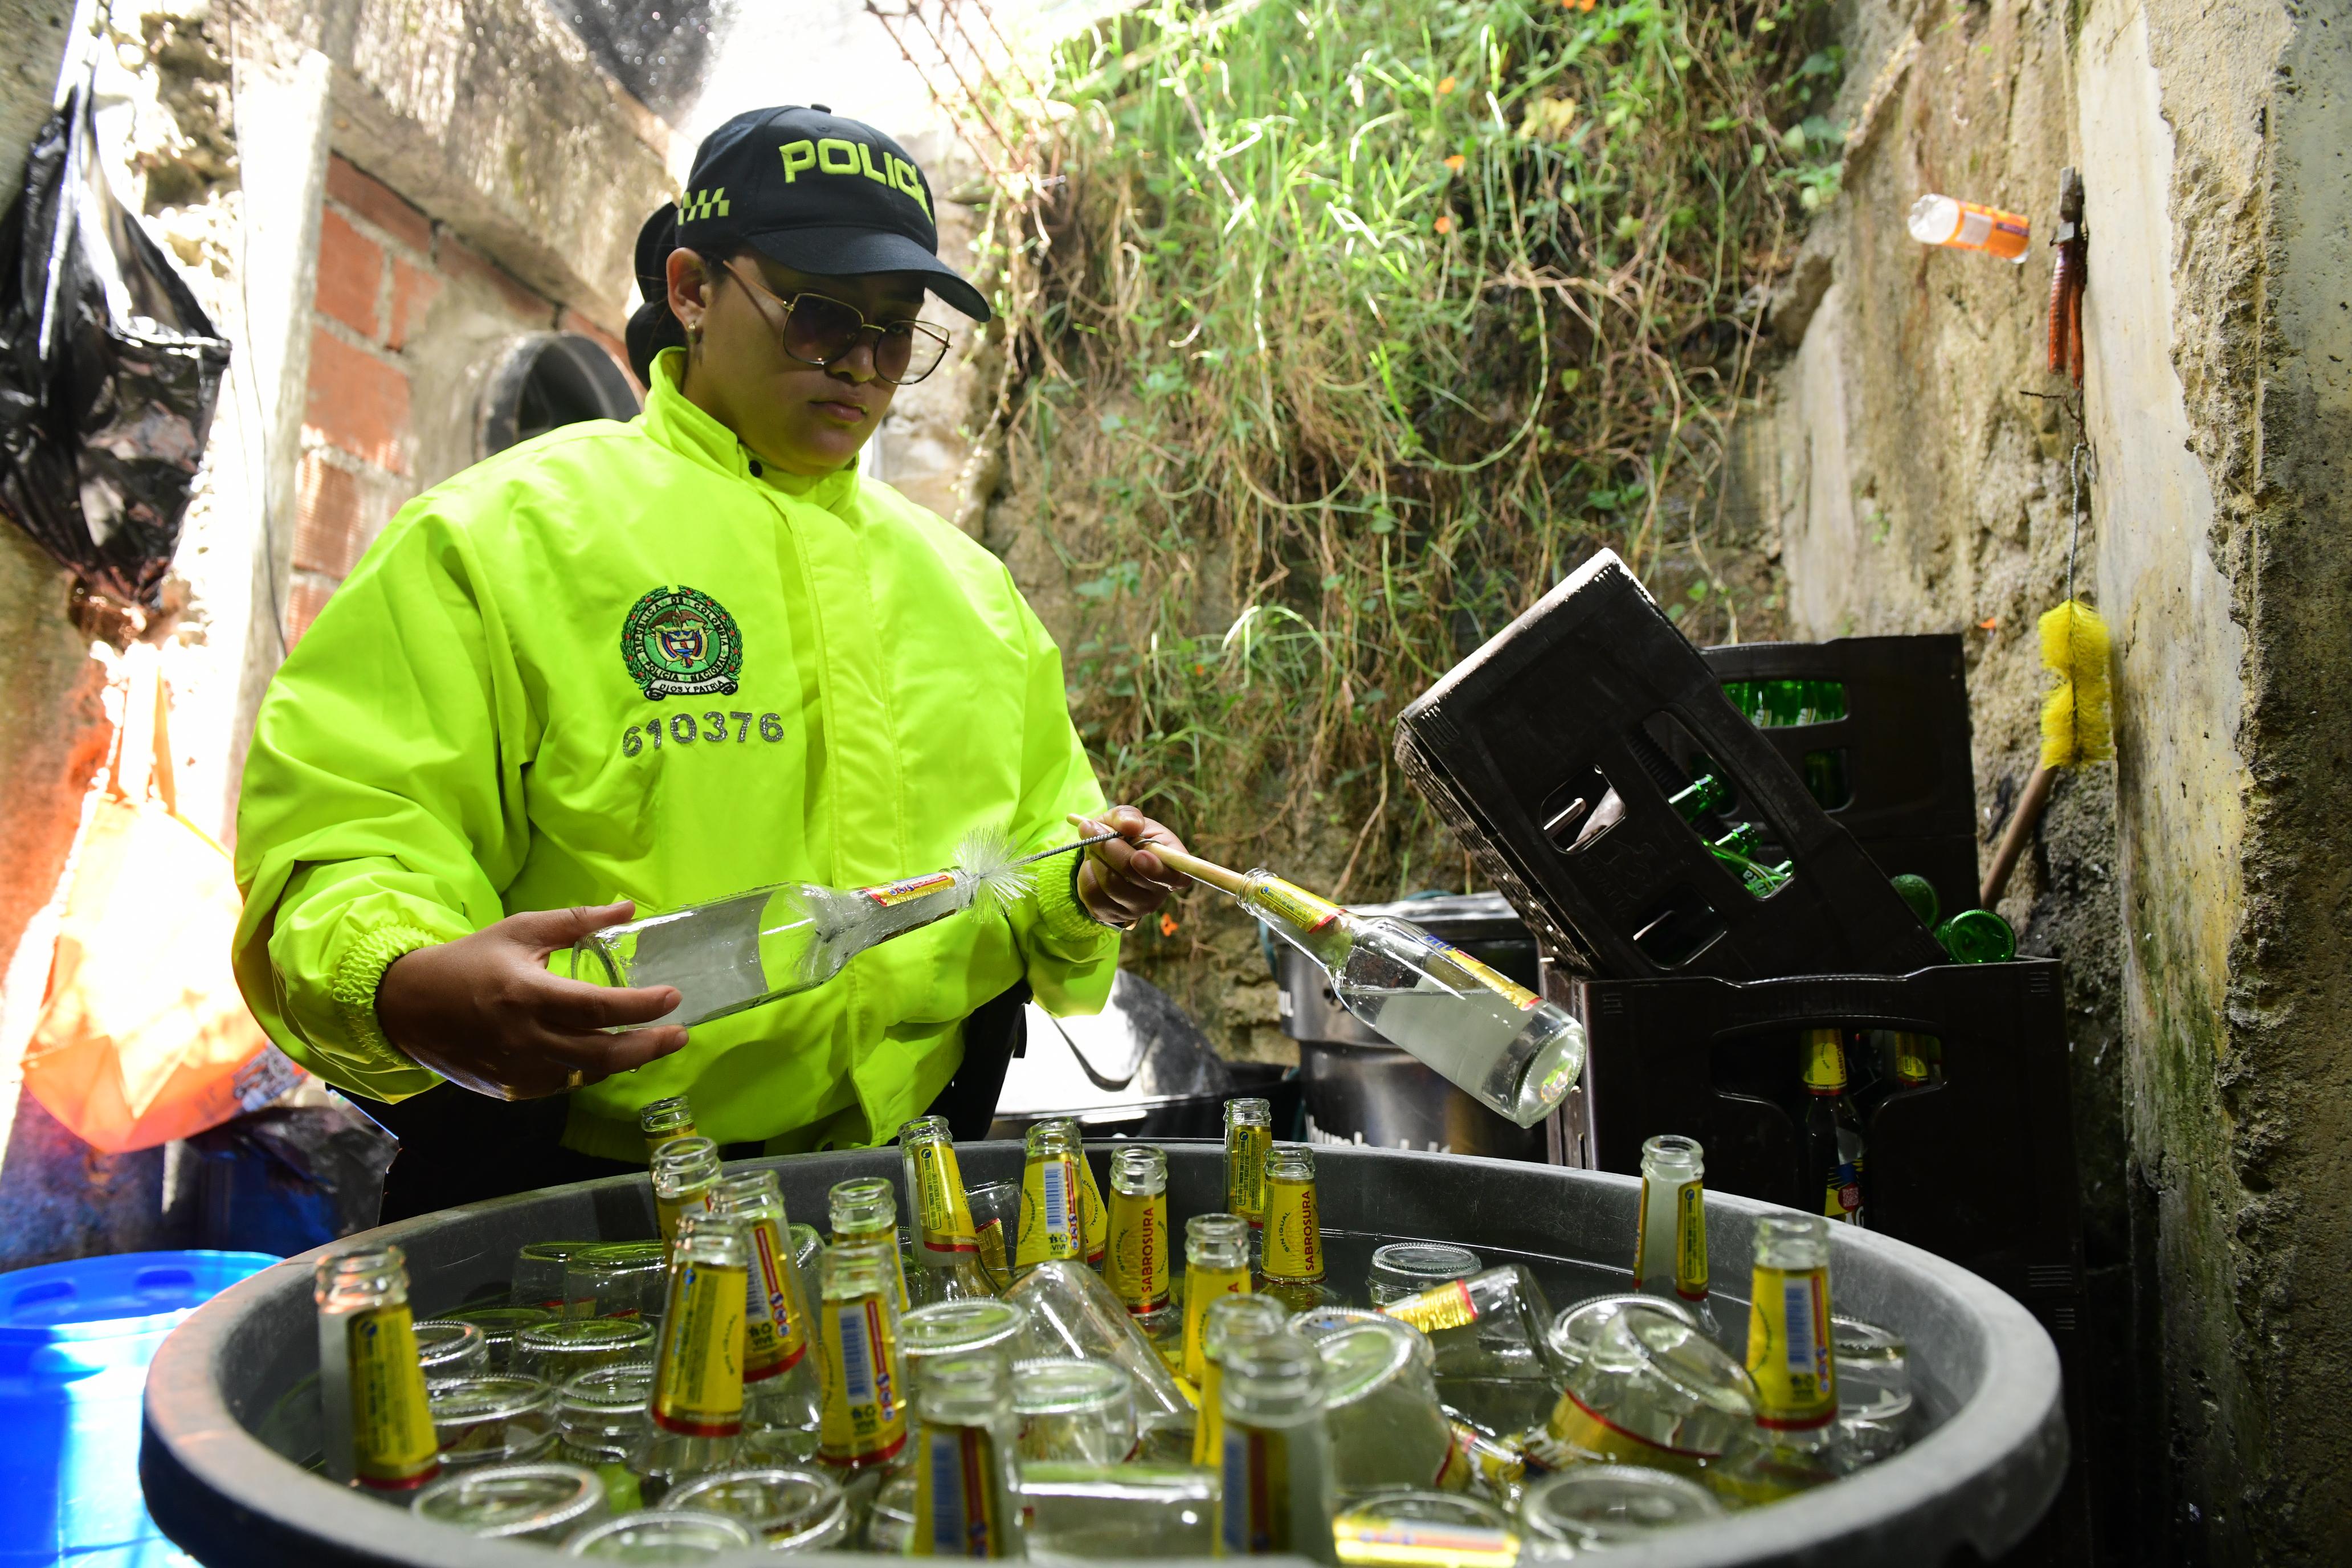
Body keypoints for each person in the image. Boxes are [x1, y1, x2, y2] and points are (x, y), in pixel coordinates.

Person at [230, 106, 1186, 1216]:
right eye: (823, 316)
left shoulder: (972, 596)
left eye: (897, 332)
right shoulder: (503, 539)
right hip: (581, 1213)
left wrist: (1098, 881)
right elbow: (348, 841)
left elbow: (1038, 860)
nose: (867, 368)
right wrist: (395, 981)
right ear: (691, 287)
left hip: (907, 1198)